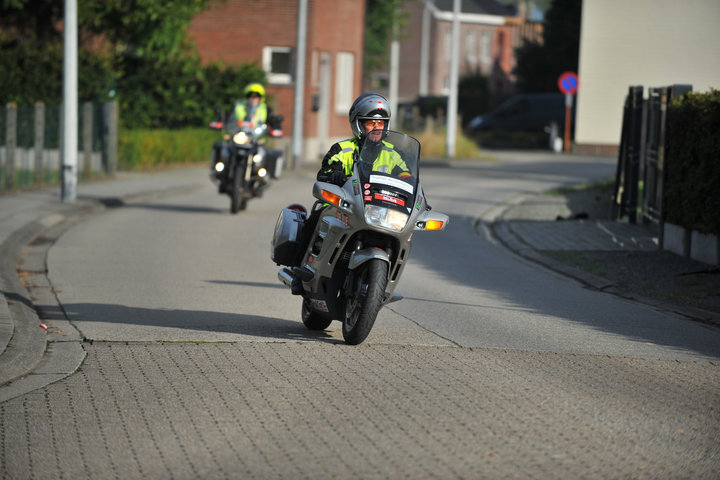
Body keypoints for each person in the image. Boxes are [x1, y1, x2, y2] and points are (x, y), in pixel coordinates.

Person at [290, 93, 409, 294]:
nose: (376, 128)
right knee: (316, 217)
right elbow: (325, 171)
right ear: (358, 125)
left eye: (381, 123)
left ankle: (381, 285)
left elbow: (407, 177)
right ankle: (298, 270)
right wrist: (333, 175)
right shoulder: (343, 149)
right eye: (370, 123)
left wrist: (416, 195)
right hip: (345, 205)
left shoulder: (394, 154)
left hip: (378, 209)